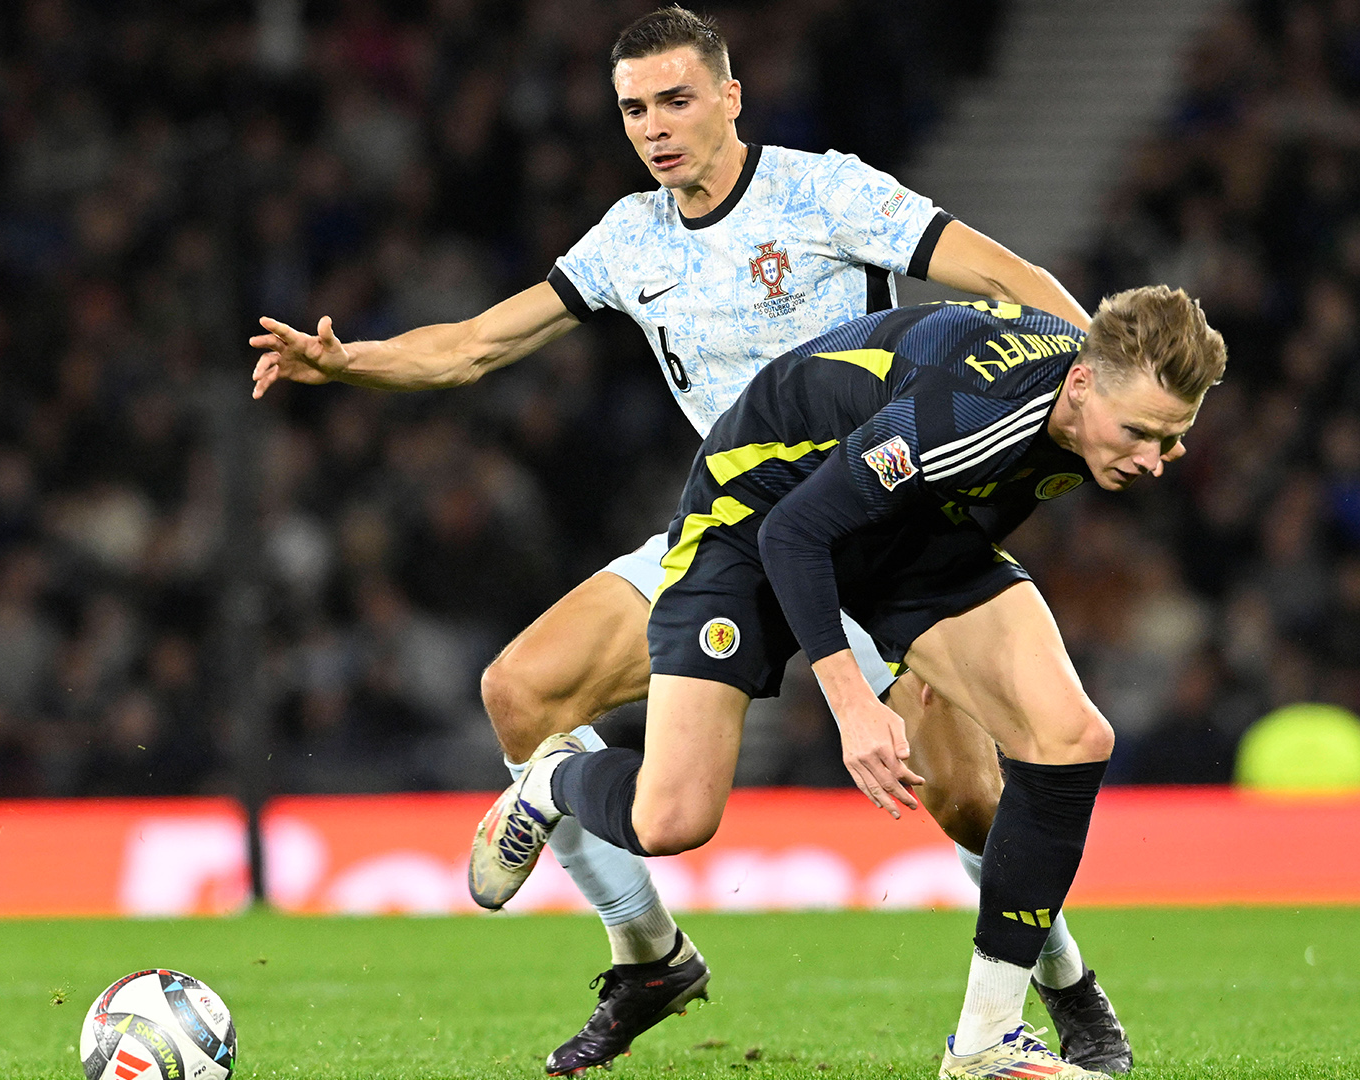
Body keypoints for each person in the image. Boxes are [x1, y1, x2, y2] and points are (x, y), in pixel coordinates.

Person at [249, 6, 1126, 1074]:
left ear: (729, 96)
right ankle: (650, 957)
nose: (656, 127)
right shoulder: (630, 240)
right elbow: (476, 346)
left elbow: (1002, 275)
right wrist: (350, 364)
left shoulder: (827, 190)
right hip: (730, 526)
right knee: (523, 693)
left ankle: (1068, 987)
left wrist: (1092, 379)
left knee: (971, 800)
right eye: (633, 110)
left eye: (675, 100)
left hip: (876, 522)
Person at [471, 286, 1225, 1079]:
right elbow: (796, 532)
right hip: (755, 519)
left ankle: (989, 1041)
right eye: (1139, 433)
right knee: (672, 818)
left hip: (909, 534)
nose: (1152, 460)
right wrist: (855, 704)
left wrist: (932, 645)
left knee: (1071, 739)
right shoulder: (967, 414)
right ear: (1079, 384)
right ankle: (554, 779)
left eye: (1172, 440)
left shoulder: (1090, 401)